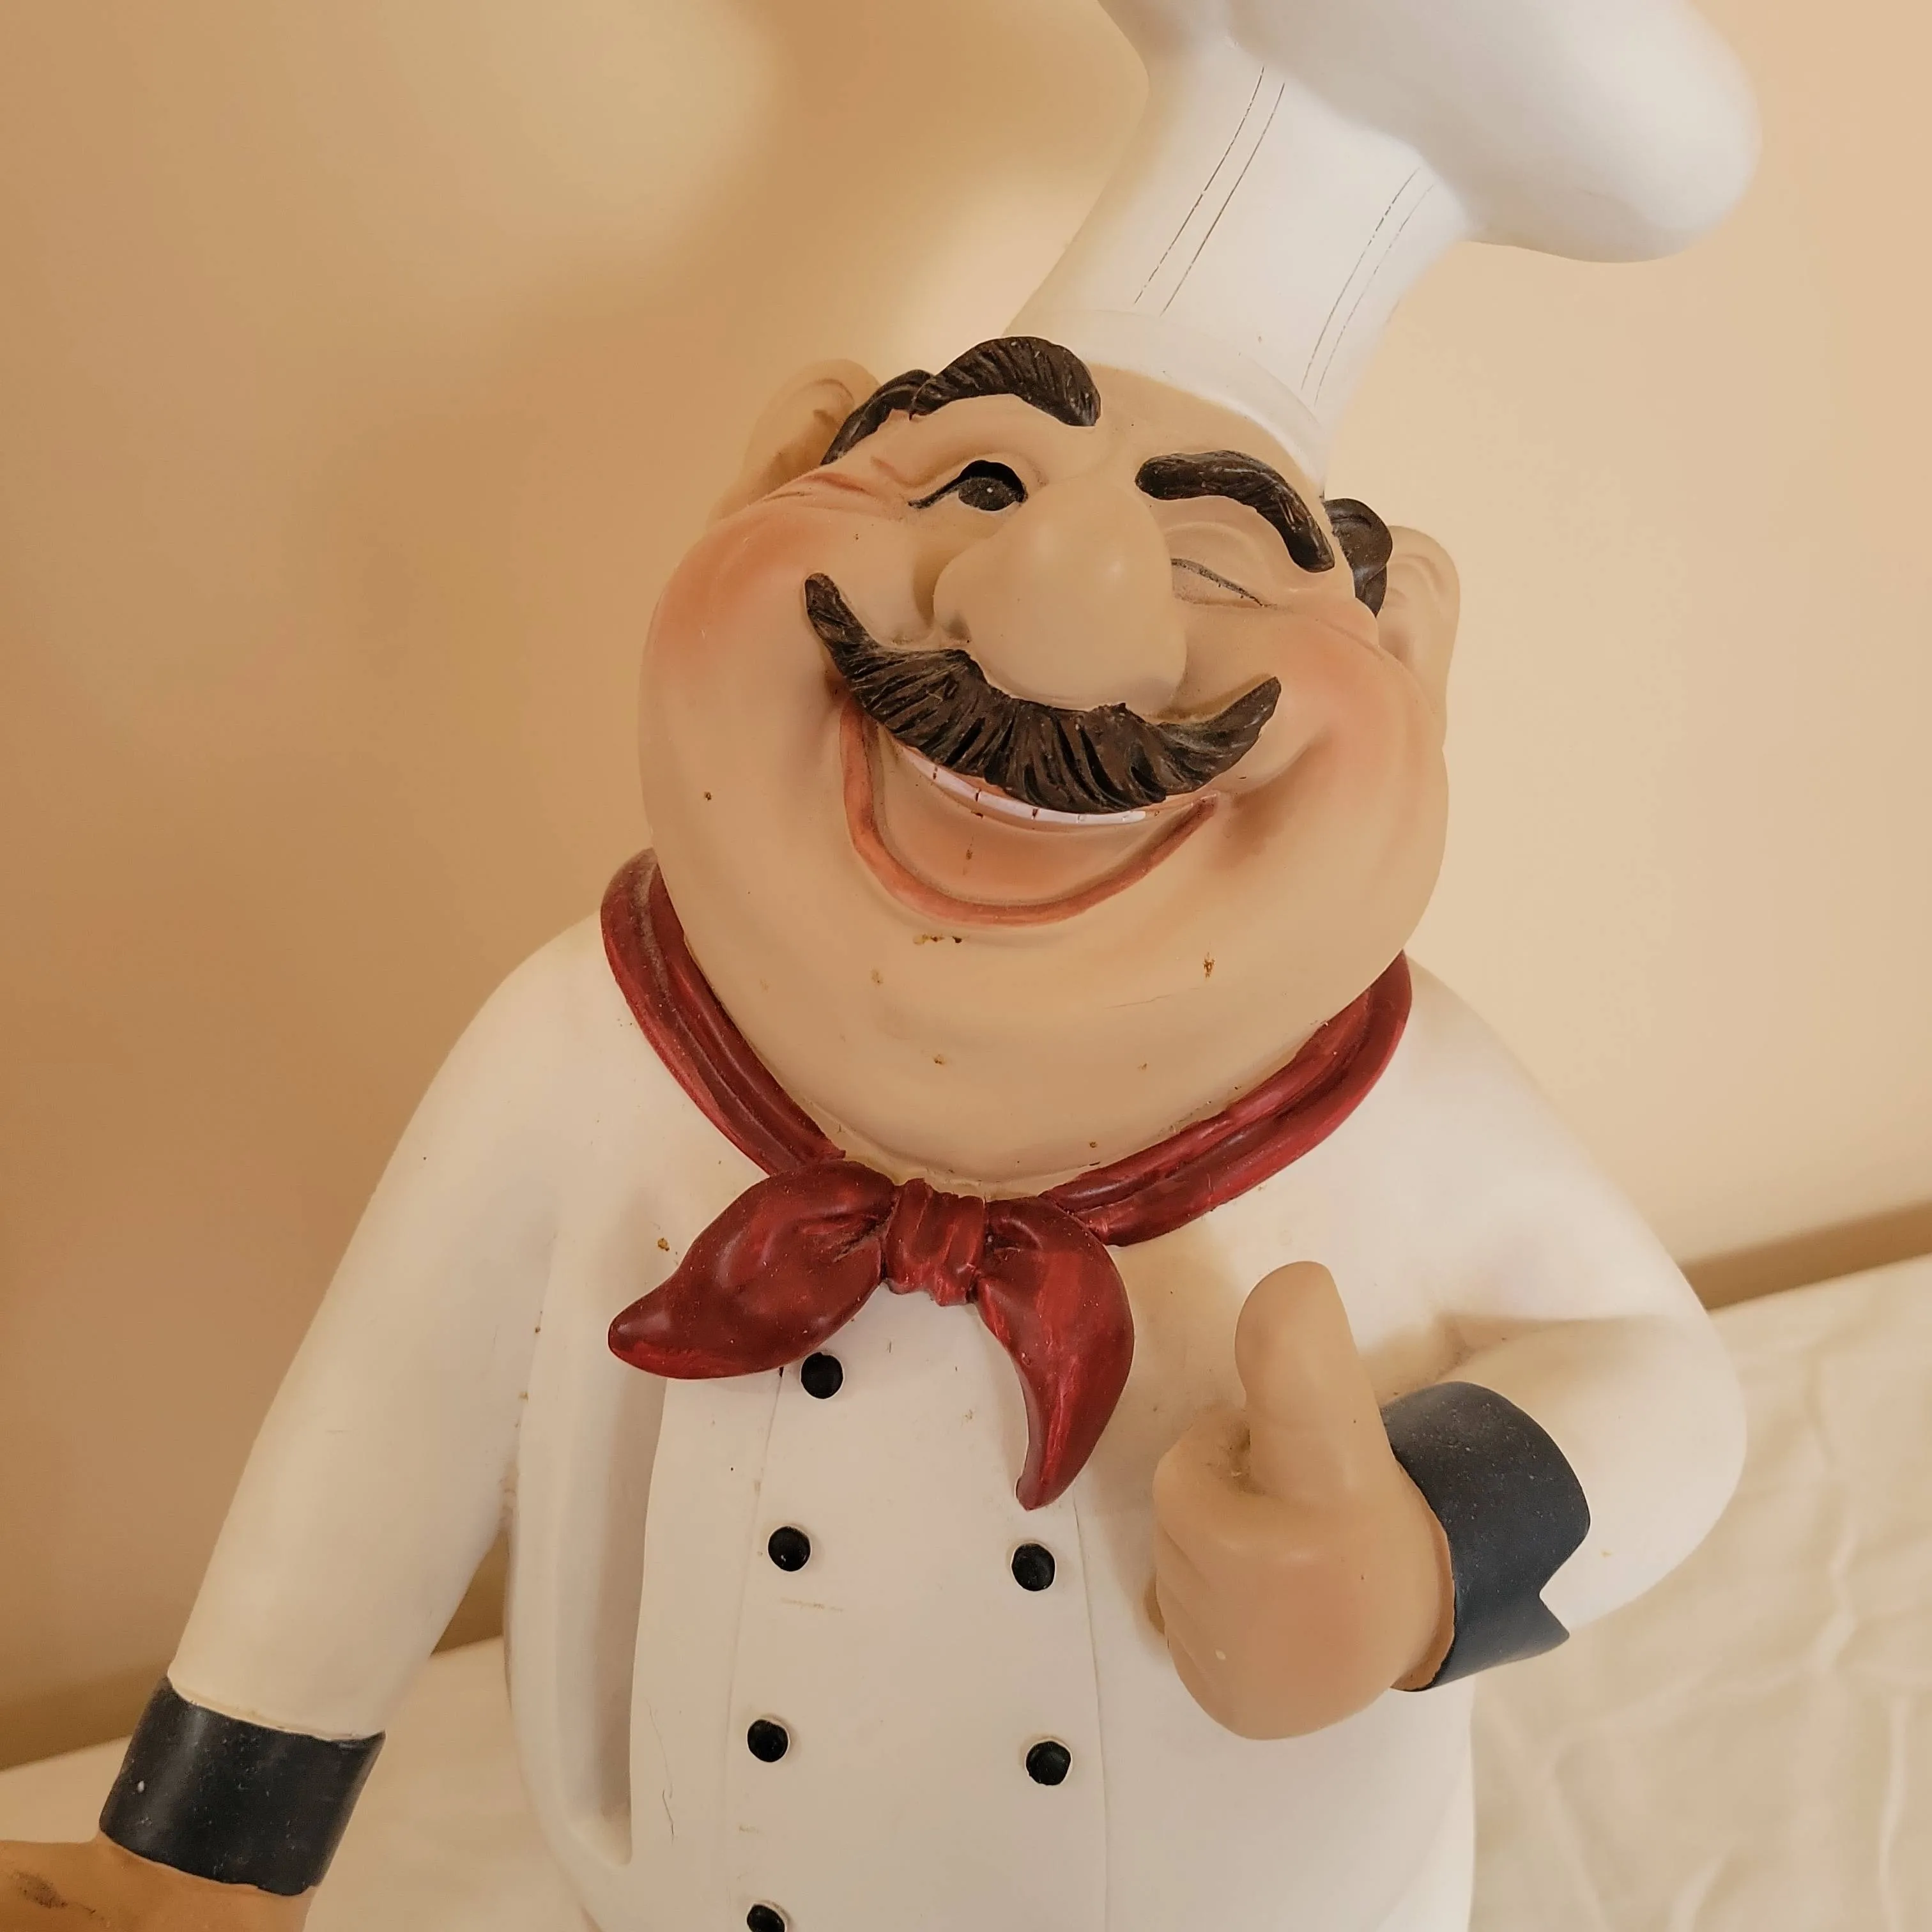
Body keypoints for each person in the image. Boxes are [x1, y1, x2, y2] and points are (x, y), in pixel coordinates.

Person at [0, 2, 1759, 1928]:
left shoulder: (1403, 1103)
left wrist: (1422, 1554)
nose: (1052, 630)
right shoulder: (588, 1041)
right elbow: (383, 1438)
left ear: (1409, 654)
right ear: (778, 467)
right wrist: (198, 1858)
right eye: (981, 483)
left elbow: (1658, 1384)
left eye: (1213, 560)